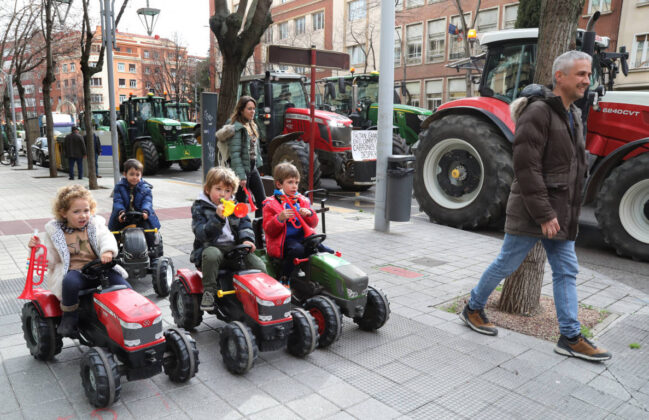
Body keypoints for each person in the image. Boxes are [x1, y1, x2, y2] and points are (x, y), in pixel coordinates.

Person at [459, 51, 612, 362]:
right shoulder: (538, 112)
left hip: (559, 211)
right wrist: (544, 214)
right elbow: (526, 167)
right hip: (534, 211)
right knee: (506, 264)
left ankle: (570, 336)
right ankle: (473, 308)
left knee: (566, 270)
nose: (586, 80)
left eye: (588, 74)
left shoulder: (574, 114)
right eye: (580, 74)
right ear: (560, 77)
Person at [28, 184, 130, 336]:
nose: (83, 215)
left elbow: (106, 237)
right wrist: (37, 250)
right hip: (76, 271)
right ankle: (69, 316)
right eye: (76, 212)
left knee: (123, 285)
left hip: (100, 268)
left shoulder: (95, 225)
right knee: (69, 282)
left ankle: (128, 313)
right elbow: (51, 260)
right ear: (63, 213)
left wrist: (107, 251)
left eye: (86, 210)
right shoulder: (56, 232)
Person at [190, 166, 267, 311]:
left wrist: (247, 240)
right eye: (218, 189)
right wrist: (217, 218)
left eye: (227, 191)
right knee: (212, 254)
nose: (223, 194)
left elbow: (245, 224)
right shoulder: (199, 207)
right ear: (208, 189)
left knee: (259, 265)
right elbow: (201, 233)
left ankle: (263, 296)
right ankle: (209, 293)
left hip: (235, 249)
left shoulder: (235, 206)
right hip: (210, 249)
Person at [262, 162, 333, 283]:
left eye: (296, 183)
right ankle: (285, 277)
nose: (294, 186)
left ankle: (324, 277)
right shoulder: (270, 204)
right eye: (290, 182)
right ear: (279, 184)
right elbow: (269, 230)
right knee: (298, 250)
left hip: (303, 237)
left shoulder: (302, 200)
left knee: (326, 250)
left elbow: (313, 224)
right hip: (282, 242)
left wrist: (310, 214)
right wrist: (279, 218)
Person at [108, 159, 161, 252]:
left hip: (140, 216)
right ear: (125, 174)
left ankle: (152, 250)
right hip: (124, 216)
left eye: (137, 175)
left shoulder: (146, 188)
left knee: (150, 232)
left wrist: (145, 211)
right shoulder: (119, 187)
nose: (135, 177)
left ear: (141, 175)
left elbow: (147, 201)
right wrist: (121, 212)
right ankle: (114, 251)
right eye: (132, 174)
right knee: (113, 233)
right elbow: (118, 201)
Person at [227, 96, 265, 217]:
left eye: (254, 108)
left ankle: (259, 233)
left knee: (262, 201)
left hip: (252, 168)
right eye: (249, 109)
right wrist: (241, 176)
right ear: (241, 110)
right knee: (240, 205)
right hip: (241, 171)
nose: (252, 111)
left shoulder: (252, 125)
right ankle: (239, 233)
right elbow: (235, 154)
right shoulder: (236, 127)